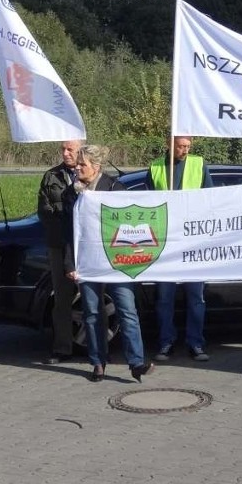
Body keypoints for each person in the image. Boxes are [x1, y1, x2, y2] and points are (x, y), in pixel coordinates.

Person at [63, 145, 153, 382]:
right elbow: (68, 232)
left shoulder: (115, 188)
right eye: (78, 164)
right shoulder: (72, 192)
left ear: (96, 167)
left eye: (83, 165)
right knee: (92, 312)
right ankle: (97, 362)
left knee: (127, 310)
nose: (77, 168)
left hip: (116, 262)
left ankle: (137, 362)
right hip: (88, 261)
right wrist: (69, 264)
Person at [146, 135, 214, 362]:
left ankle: (196, 343)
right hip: (165, 242)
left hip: (193, 242)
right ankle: (166, 342)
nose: (184, 150)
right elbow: (144, 202)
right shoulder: (155, 167)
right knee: (165, 298)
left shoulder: (199, 164)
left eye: (187, 146)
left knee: (196, 297)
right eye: (180, 146)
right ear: (169, 143)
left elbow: (212, 199)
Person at [37, 139, 83, 364]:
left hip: (87, 247)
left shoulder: (90, 174)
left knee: (94, 297)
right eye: (63, 150)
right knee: (62, 299)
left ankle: (99, 348)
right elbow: (44, 212)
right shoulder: (51, 176)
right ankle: (62, 348)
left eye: (70, 150)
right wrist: (65, 221)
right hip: (59, 245)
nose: (65, 154)